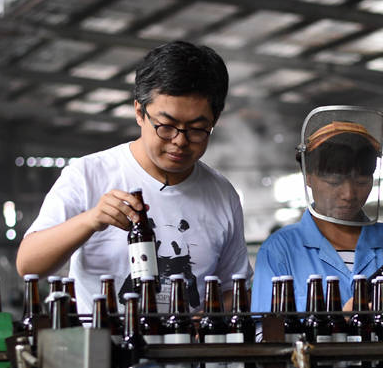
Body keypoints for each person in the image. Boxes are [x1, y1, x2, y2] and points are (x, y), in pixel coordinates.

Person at [16, 41, 252, 315]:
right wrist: (91, 220)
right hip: (105, 353)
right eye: (166, 126)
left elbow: (235, 289)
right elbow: (28, 265)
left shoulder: (222, 194)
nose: (179, 141)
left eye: (197, 129)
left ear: (215, 119)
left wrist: (207, 318)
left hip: (188, 354)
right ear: (140, 112)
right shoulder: (88, 175)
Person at [251, 106, 383, 317]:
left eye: (361, 181)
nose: (349, 194)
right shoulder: (280, 250)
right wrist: (340, 322)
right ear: (307, 175)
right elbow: (264, 336)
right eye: (334, 181)